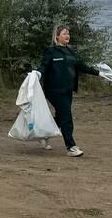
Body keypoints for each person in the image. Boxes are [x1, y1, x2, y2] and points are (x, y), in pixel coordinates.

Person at [38, 24, 100, 157]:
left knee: (61, 116)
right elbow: (43, 66)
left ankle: (43, 134)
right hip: (53, 90)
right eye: (64, 33)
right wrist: (37, 75)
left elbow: (81, 66)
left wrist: (99, 73)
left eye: (68, 33)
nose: (68, 36)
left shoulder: (70, 52)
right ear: (57, 36)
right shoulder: (51, 51)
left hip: (68, 90)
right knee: (66, 116)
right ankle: (71, 147)